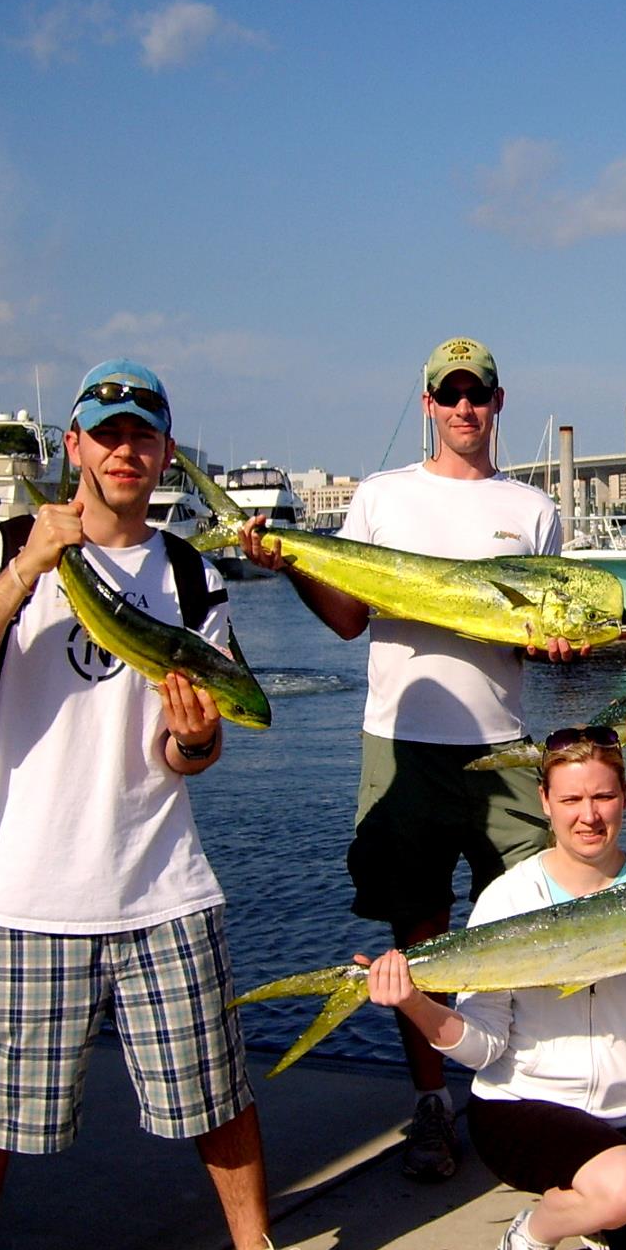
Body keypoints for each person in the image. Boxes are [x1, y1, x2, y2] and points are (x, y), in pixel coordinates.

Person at [0, 360, 324, 1250]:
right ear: (74, 448)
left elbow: (191, 753)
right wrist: (27, 567)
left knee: (215, 1088)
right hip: (24, 885)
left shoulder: (190, 578)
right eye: (106, 434)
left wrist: (191, 741)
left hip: (159, 879)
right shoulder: (0, 549)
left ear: (164, 452)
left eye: (143, 435)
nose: (124, 451)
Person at [240, 337, 573, 1184]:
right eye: (449, 393)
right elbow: (350, 620)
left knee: (533, 922)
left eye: (479, 393)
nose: (465, 407)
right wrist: (288, 567)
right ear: (427, 403)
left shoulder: (532, 510)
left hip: (504, 749)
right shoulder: (383, 497)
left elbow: (536, 636)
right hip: (402, 745)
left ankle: (525, 1088)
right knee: (416, 934)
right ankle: (430, 1102)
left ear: (500, 402)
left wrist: (564, 645)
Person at [358, 727, 626, 1250]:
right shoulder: (509, 898)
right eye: (571, 801)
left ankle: (598, 1209)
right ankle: (531, 1236)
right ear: (545, 802)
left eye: (602, 797)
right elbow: (483, 1047)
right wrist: (416, 1004)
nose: (588, 817)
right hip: (527, 1106)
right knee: (625, 1184)